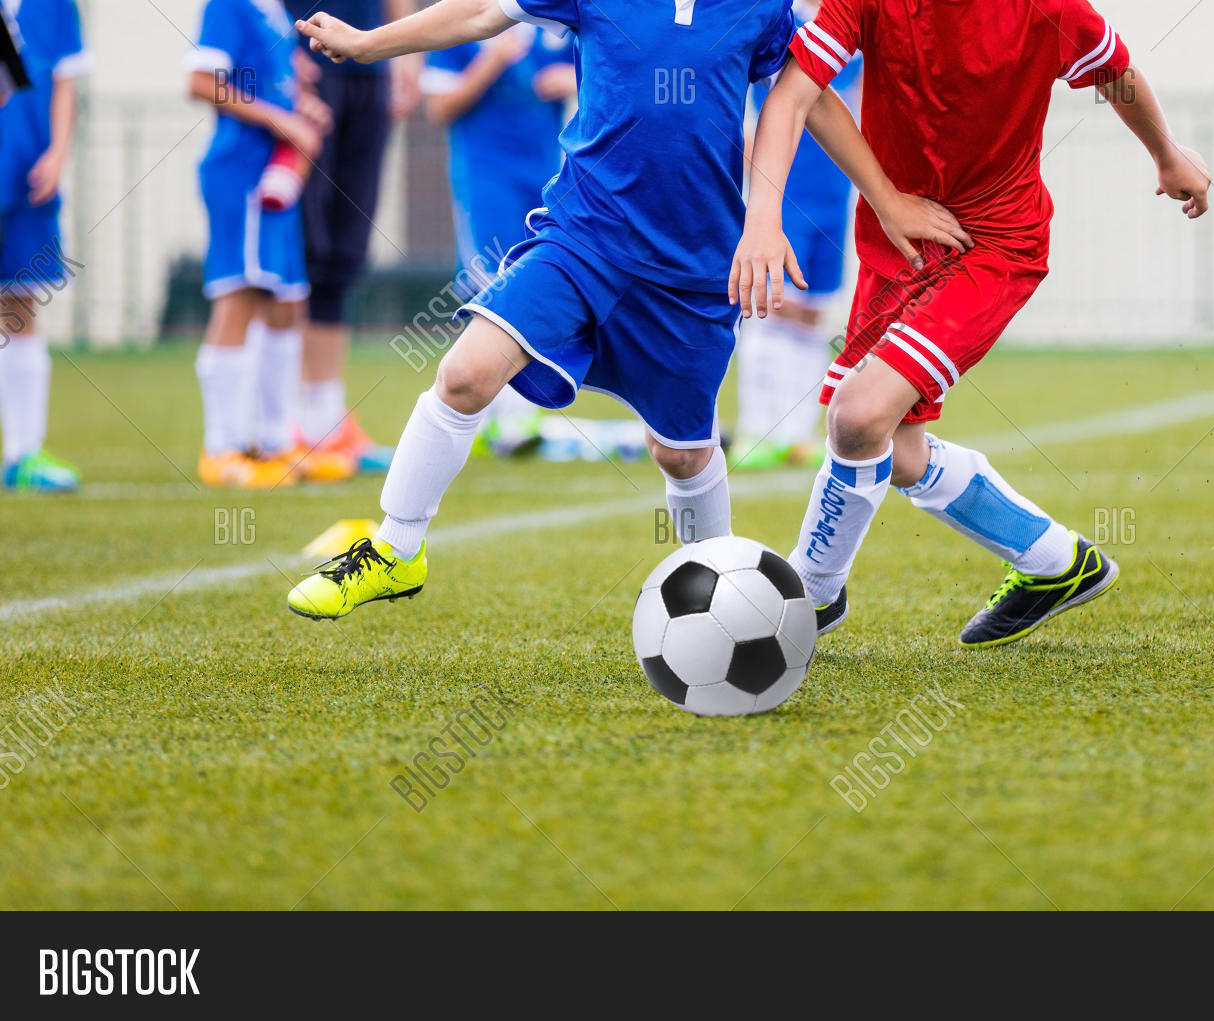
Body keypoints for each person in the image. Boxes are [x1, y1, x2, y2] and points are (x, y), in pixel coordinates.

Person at [282, 0, 966, 620]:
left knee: (682, 453)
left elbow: (809, 99)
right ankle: (396, 549)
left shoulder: (761, 8)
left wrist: (883, 197)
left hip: (691, 272)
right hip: (584, 237)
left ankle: (719, 601)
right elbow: (486, 14)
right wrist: (372, 43)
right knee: (466, 374)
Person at [732, 0, 1211, 646]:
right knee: (891, 450)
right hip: (898, 238)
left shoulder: (1047, 8)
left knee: (855, 415)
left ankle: (807, 598)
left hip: (991, 245)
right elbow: (793, 94)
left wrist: (1167, 154)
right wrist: (767, 216)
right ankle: (1055, 561)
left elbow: (1115, 70)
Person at [187, 0, 348, 487]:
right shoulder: (229, 5)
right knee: (241, 295)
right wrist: (283, 122)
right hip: (243, 172)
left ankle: (276, 442)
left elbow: (270, 84)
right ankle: (222, 447)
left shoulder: (273, 10)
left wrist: (300, 107)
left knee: (286, 302)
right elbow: (200, 81)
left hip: (276, 175)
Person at [421, 23, 573, 458]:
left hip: (545, 175)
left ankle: (516, 413)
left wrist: (569, 80)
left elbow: (595, 75)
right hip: (485, 177)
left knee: (536, 284)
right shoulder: (460, 25)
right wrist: (492, 61)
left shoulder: (547, 23)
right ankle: (502, 418)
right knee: (493, 285)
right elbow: (439, 109)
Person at [286, 0, 420, 476]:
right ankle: (284, 421)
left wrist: (408, 58)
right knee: (304, 246)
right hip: (307, 53)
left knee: (345, 248)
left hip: (370, 59)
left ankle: (325, 420)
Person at [732, 0, 859, 472]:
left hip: (834, 190)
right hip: (783, 188)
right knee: (768, 302)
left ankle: (793, 434)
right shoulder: (775, 20)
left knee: (810, 310)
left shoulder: (850, 25)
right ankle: (755, 429)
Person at [0, 0, 88, 493]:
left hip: (28, 173)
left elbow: (65, 81)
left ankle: (23, 453)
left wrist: (57, 153)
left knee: (19, 302)